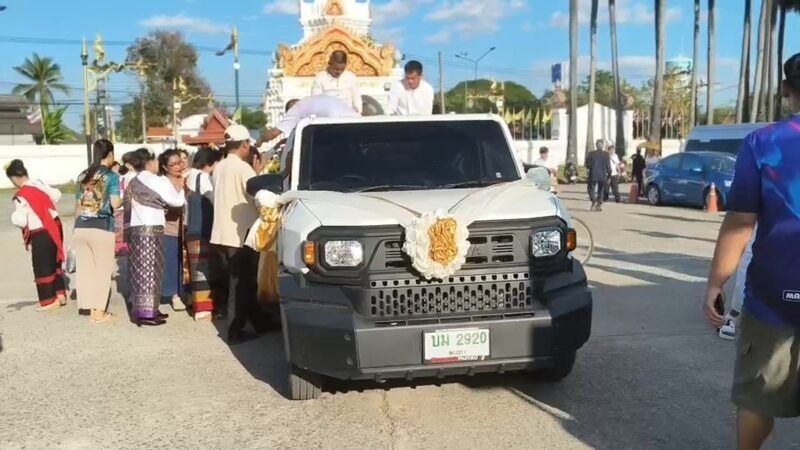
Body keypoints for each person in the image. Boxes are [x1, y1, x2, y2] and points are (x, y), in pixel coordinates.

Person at [704, 53, 800, 450]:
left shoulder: (762, 143)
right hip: (770, 296)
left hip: (772, 297)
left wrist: (717, 282)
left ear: (785, 90)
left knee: (757, 398)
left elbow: (741, 222)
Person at [211, 124, 271, 344]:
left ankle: (259, 321)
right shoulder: (243, 168)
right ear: (245, 144)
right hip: (240, 234)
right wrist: (260, 173)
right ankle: (234, 331)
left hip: (223, 233)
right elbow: (258, 196)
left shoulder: (219, 166)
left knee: (245, 281)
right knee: (241, 283)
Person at [126, 150, 186, 326]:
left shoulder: (133, 181)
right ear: (150, 162)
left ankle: (149, 309)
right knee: (153, 271)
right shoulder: (156, 180)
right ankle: (146, 314)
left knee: (141, 272)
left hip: (136, 230)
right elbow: (176, 201)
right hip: (153, 229)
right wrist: (181, 188)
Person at [6, 159, 67, 311]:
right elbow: (57, 195)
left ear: (14, 178)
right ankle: (60, 293)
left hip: (40, 230)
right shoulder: (38, 183)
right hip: (54, 224)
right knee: (55, 260)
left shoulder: (21, 195)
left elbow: (21, 220)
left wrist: (13, 217)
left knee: (42, 265)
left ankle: (50, 300)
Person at [73, 139, 121, 323]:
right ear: (110, 155)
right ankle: (98, 313)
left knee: (86, 270)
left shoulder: (83, 175)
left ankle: (88, 307)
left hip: (81, 227)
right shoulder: (112, 176)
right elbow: (115, 203)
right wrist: (127, 199)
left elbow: (78, 204)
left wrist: (75, 229)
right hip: (101, 227)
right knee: (102, 271)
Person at [185, 147, 225, 321]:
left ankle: (196, 304)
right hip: (203, 228)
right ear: (209, 163)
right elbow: (216, 201)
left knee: (195, 270)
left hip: (191, 229)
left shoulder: (187, 176)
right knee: (205, 270)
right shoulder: (203, 178)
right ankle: (204, 310)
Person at [158, 149, 188, 312]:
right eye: (174, 164)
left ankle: (184, 292)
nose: (178, 166)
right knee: (171, 263)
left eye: (180, 162)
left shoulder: (188, 179)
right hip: (169, 229)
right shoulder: (162, 183)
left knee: (185, 263)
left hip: (186, 229)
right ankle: (174, 295)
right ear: (165, 167)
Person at [311, 50, 362, 115]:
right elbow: (316, 100)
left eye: (342, 69)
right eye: (336, 69)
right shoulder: (320, 77)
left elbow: (357, 98)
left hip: (348, 115)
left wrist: (356, 109)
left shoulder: (351, 77)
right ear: (330, 64)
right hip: (327, 116)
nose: (339, 72)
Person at [586, 139, 612, 212]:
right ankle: (598, 204)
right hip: (602, 174)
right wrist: (609, 175)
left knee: (591, 188)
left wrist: (589, 167)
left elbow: (587, 165)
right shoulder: (606, 154)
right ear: (602, 146)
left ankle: (594, 201)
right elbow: (608, 166)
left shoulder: (591, 154)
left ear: (596, 145)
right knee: (601, 189)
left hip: (593, 174)